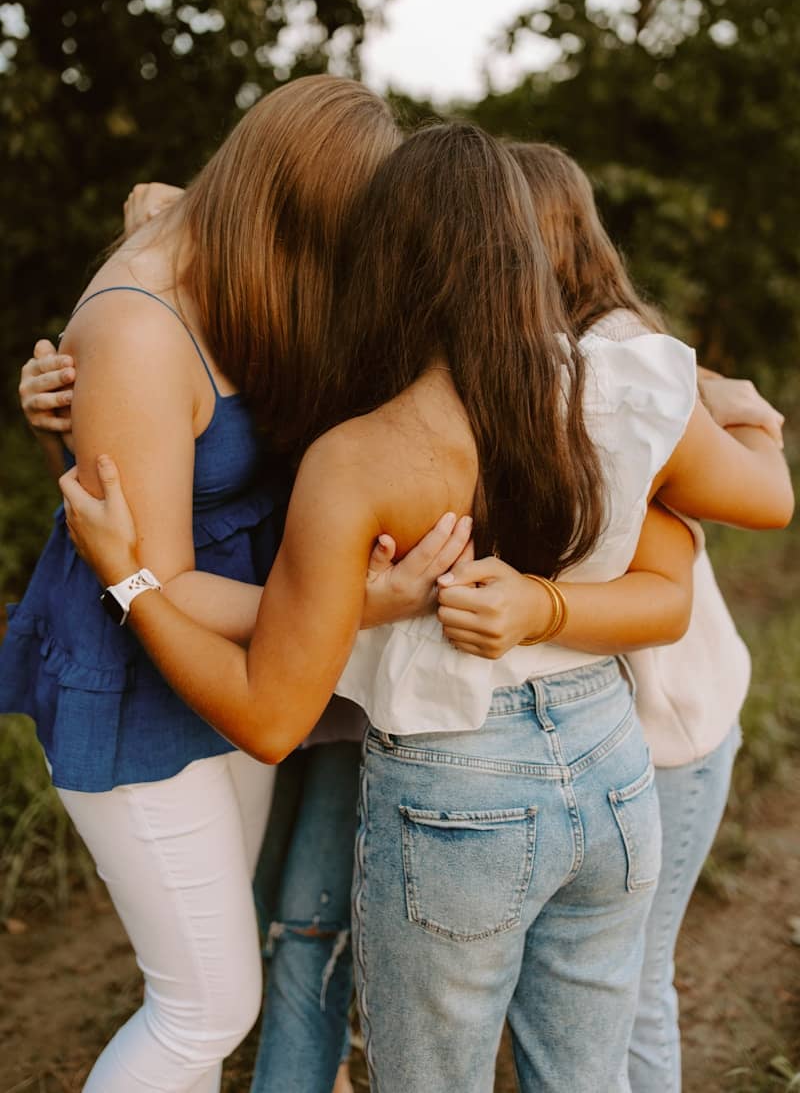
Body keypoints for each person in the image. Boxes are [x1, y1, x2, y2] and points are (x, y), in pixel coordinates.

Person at [58, 123, 793, 1092]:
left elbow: (271, 718)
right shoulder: (632, 383)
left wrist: (130, 578)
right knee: (584, 1073)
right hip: (611, 765)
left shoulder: (360, 458)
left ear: (383, 265)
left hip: (461, 782)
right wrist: (750, 412)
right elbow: (706, 545)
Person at [1, 73, 418, 1093]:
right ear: (289, 209)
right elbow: (156, 575)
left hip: (233, 650)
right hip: (140, 662)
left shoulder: (220, 243)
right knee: (205, 1003)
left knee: (205, 955)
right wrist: (347, 606)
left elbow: (157, 196)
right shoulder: (142, 326)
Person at [434, 140, 786, 1092]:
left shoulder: (622, 353)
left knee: (630, 988)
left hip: (663, 725)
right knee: (591, 991)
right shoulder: (514, 359)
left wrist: (749, 412)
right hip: (593, 727)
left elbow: (760, 498)